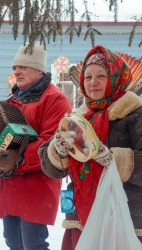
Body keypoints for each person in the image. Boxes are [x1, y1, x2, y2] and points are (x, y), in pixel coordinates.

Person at [39, 45, 142, 249]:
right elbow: (50, 168)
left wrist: (114, 160)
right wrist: (57, 151)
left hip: (125, 222)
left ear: (115, 78)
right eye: (87, 77)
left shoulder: (136, 115)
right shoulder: (78, 118)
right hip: (82, 221)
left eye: (101, 76)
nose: (92, 82)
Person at [0, 43, 72, 250]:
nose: (16, 71)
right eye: (15, 67)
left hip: (37, 185)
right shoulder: (12, 99)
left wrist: (16, 157)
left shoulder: (55, 99)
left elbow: (52, 142)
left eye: (23, 67)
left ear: (39, 70)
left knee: (33, 243)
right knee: (13, 242)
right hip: (10, 183)